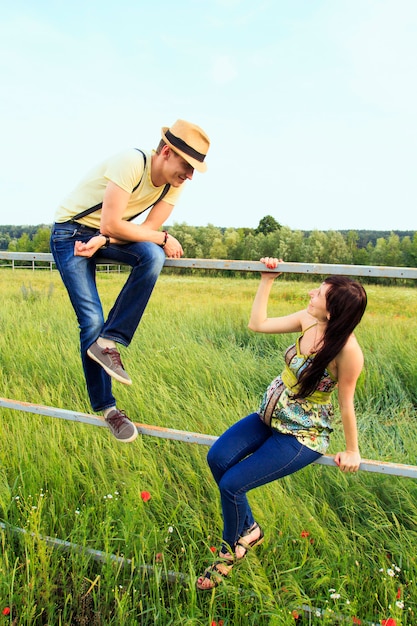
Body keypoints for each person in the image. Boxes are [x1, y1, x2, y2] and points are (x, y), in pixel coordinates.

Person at [197, 257, 367, 590]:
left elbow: (347, 404)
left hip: (301, 436)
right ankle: (250, 530)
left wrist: (352, 450)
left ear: (331, 312)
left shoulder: (348, 352)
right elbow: (257, 324)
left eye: (318, 293)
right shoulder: (308, 320)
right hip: (268, 416)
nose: (310, 294)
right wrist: (267, 279)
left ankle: (229, 553)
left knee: (232, 485)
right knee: (216, 458)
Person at [50, 119, 210, 443]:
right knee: (92, 319)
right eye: (187, 165)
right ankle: (108, 408)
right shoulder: (131, 162)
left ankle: (109, 343)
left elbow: (144, 236)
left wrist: (108, 241)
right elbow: (114, 222)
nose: (190, 175)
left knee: (153, 256)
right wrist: (160, 236)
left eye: (195, 169)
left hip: (105, 237)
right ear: (167, 151)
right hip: (71, 233)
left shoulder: (174, 185)